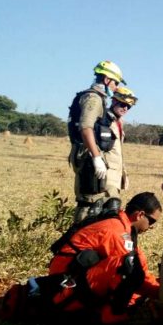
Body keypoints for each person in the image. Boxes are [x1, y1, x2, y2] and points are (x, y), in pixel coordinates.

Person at [47, 192, 162, 325]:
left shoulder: (120, 227)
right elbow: (135, 273)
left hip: (73, 278)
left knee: (132, 266)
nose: (151, 227)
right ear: (140, 215)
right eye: (152, 221)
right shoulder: (116, 232)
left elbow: (140, 266)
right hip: (63, 286)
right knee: (127, 267)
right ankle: (114, 318)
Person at [68, 60, 128, 223]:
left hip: (89, 154)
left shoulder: (97, 97)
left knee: (98, 203)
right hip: (88, 156)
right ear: (107, 80)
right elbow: (86, 127)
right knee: (89, 204)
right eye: (115, 83)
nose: (115, 88)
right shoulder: (93, 98)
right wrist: (96, 157)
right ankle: (77, 242)